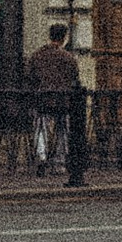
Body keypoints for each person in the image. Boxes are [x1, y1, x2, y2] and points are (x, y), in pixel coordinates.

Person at [24, 20, 82, 171]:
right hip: (63, 101)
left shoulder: (38, 55)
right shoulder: (69, 58)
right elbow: (75, 78)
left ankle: (41, 156)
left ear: (50, 36)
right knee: (63, 130)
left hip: (42, 100)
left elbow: (30, 77)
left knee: (40, 128)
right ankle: (60, 161)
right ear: (64, 38)